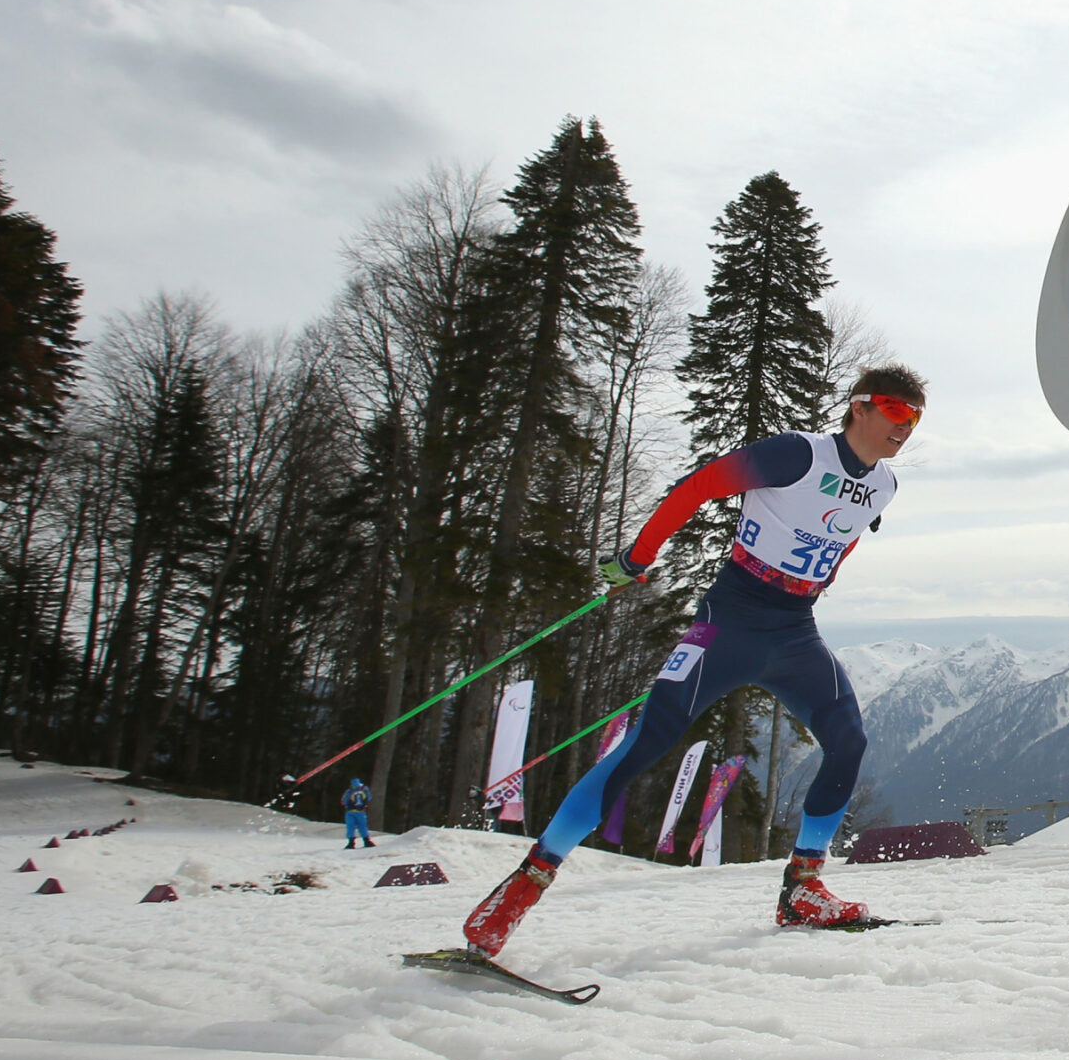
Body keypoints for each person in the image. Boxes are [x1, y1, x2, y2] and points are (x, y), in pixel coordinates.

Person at [461, 366, 925, 957]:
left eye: (915, 417)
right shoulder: (796, 454)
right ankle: (524, 885)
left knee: (848, 739)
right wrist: (637, 557)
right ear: (859, 407)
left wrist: (822, 576)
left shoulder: (884, 485)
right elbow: (697, 487)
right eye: (895, 409)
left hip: (794, 630)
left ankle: (803, 886)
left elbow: (850, 532)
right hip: (730, 621)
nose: (905, 426)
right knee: (645, 743)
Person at [342, 778, 374, 849]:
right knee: (362, 826)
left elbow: (344, 801)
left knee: (350, 827)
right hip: (361, 812)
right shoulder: (364, 790)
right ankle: (366, 841)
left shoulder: (349, 791)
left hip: (350, 812)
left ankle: (351, 842)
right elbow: (369, 798)